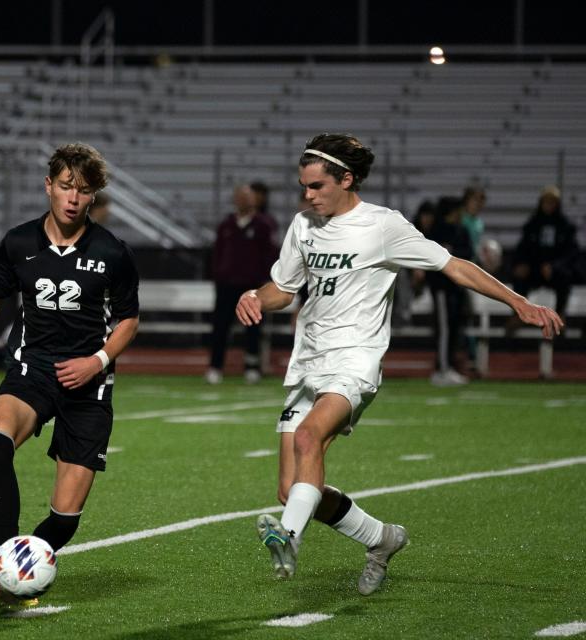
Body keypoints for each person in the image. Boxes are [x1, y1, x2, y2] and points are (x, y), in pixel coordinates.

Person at [235, 133, 562, 596]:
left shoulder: (383, 227)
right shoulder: (303, 225)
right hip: (308, 361)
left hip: (356, 358)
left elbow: (454, 265)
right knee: (293, 493)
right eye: (303, 187)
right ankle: (382, 539)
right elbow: (283, 290)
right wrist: (253, 297)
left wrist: (517, 302)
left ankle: (288, 538)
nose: (307, 195)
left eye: (315, 186)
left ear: (346, 179)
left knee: (309, 437)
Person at [0, 143, 140, 604]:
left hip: (89, 383)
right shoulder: (19, 243)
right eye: (66, 186)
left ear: (94, 198)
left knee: (65, 518)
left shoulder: (114, 252)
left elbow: (128, 319)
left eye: (83, 191)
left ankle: (10, 582)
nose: (73, 197)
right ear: (48, 186)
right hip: (32, 370)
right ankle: (4, 561)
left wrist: (98, 361)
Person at [206, 184, 279, 384]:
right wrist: (219, 275)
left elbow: (269, 255)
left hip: (252, 286)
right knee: (220, 327)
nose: (243, 201)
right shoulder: (227, 225)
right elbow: (217, 253)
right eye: (239, 197)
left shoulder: (263, 225)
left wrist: (265, 279)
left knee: (253, 328)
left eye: (247, 197)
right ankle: (215, 366)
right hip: (227, 285)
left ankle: (252, 366)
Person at [425, 196, 474, 386]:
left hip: (456, 288)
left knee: (454, 328)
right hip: (442, 288)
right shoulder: (437, 231)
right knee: (444, 329)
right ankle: (442, 369)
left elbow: (468, 253)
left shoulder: (460, 230)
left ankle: (448, 366)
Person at [512, 185, 579, 320]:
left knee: (565, 278)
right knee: (520, 277)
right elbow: (524, 248)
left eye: (552, 202)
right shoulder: (532, 224)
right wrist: (523, 263)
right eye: (546, 201)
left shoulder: (565, 226)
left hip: (555, 270)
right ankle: (518, 316)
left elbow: (571, 252)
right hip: (535, 268)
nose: (549, 205)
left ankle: (560, 315)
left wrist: (554, 266)